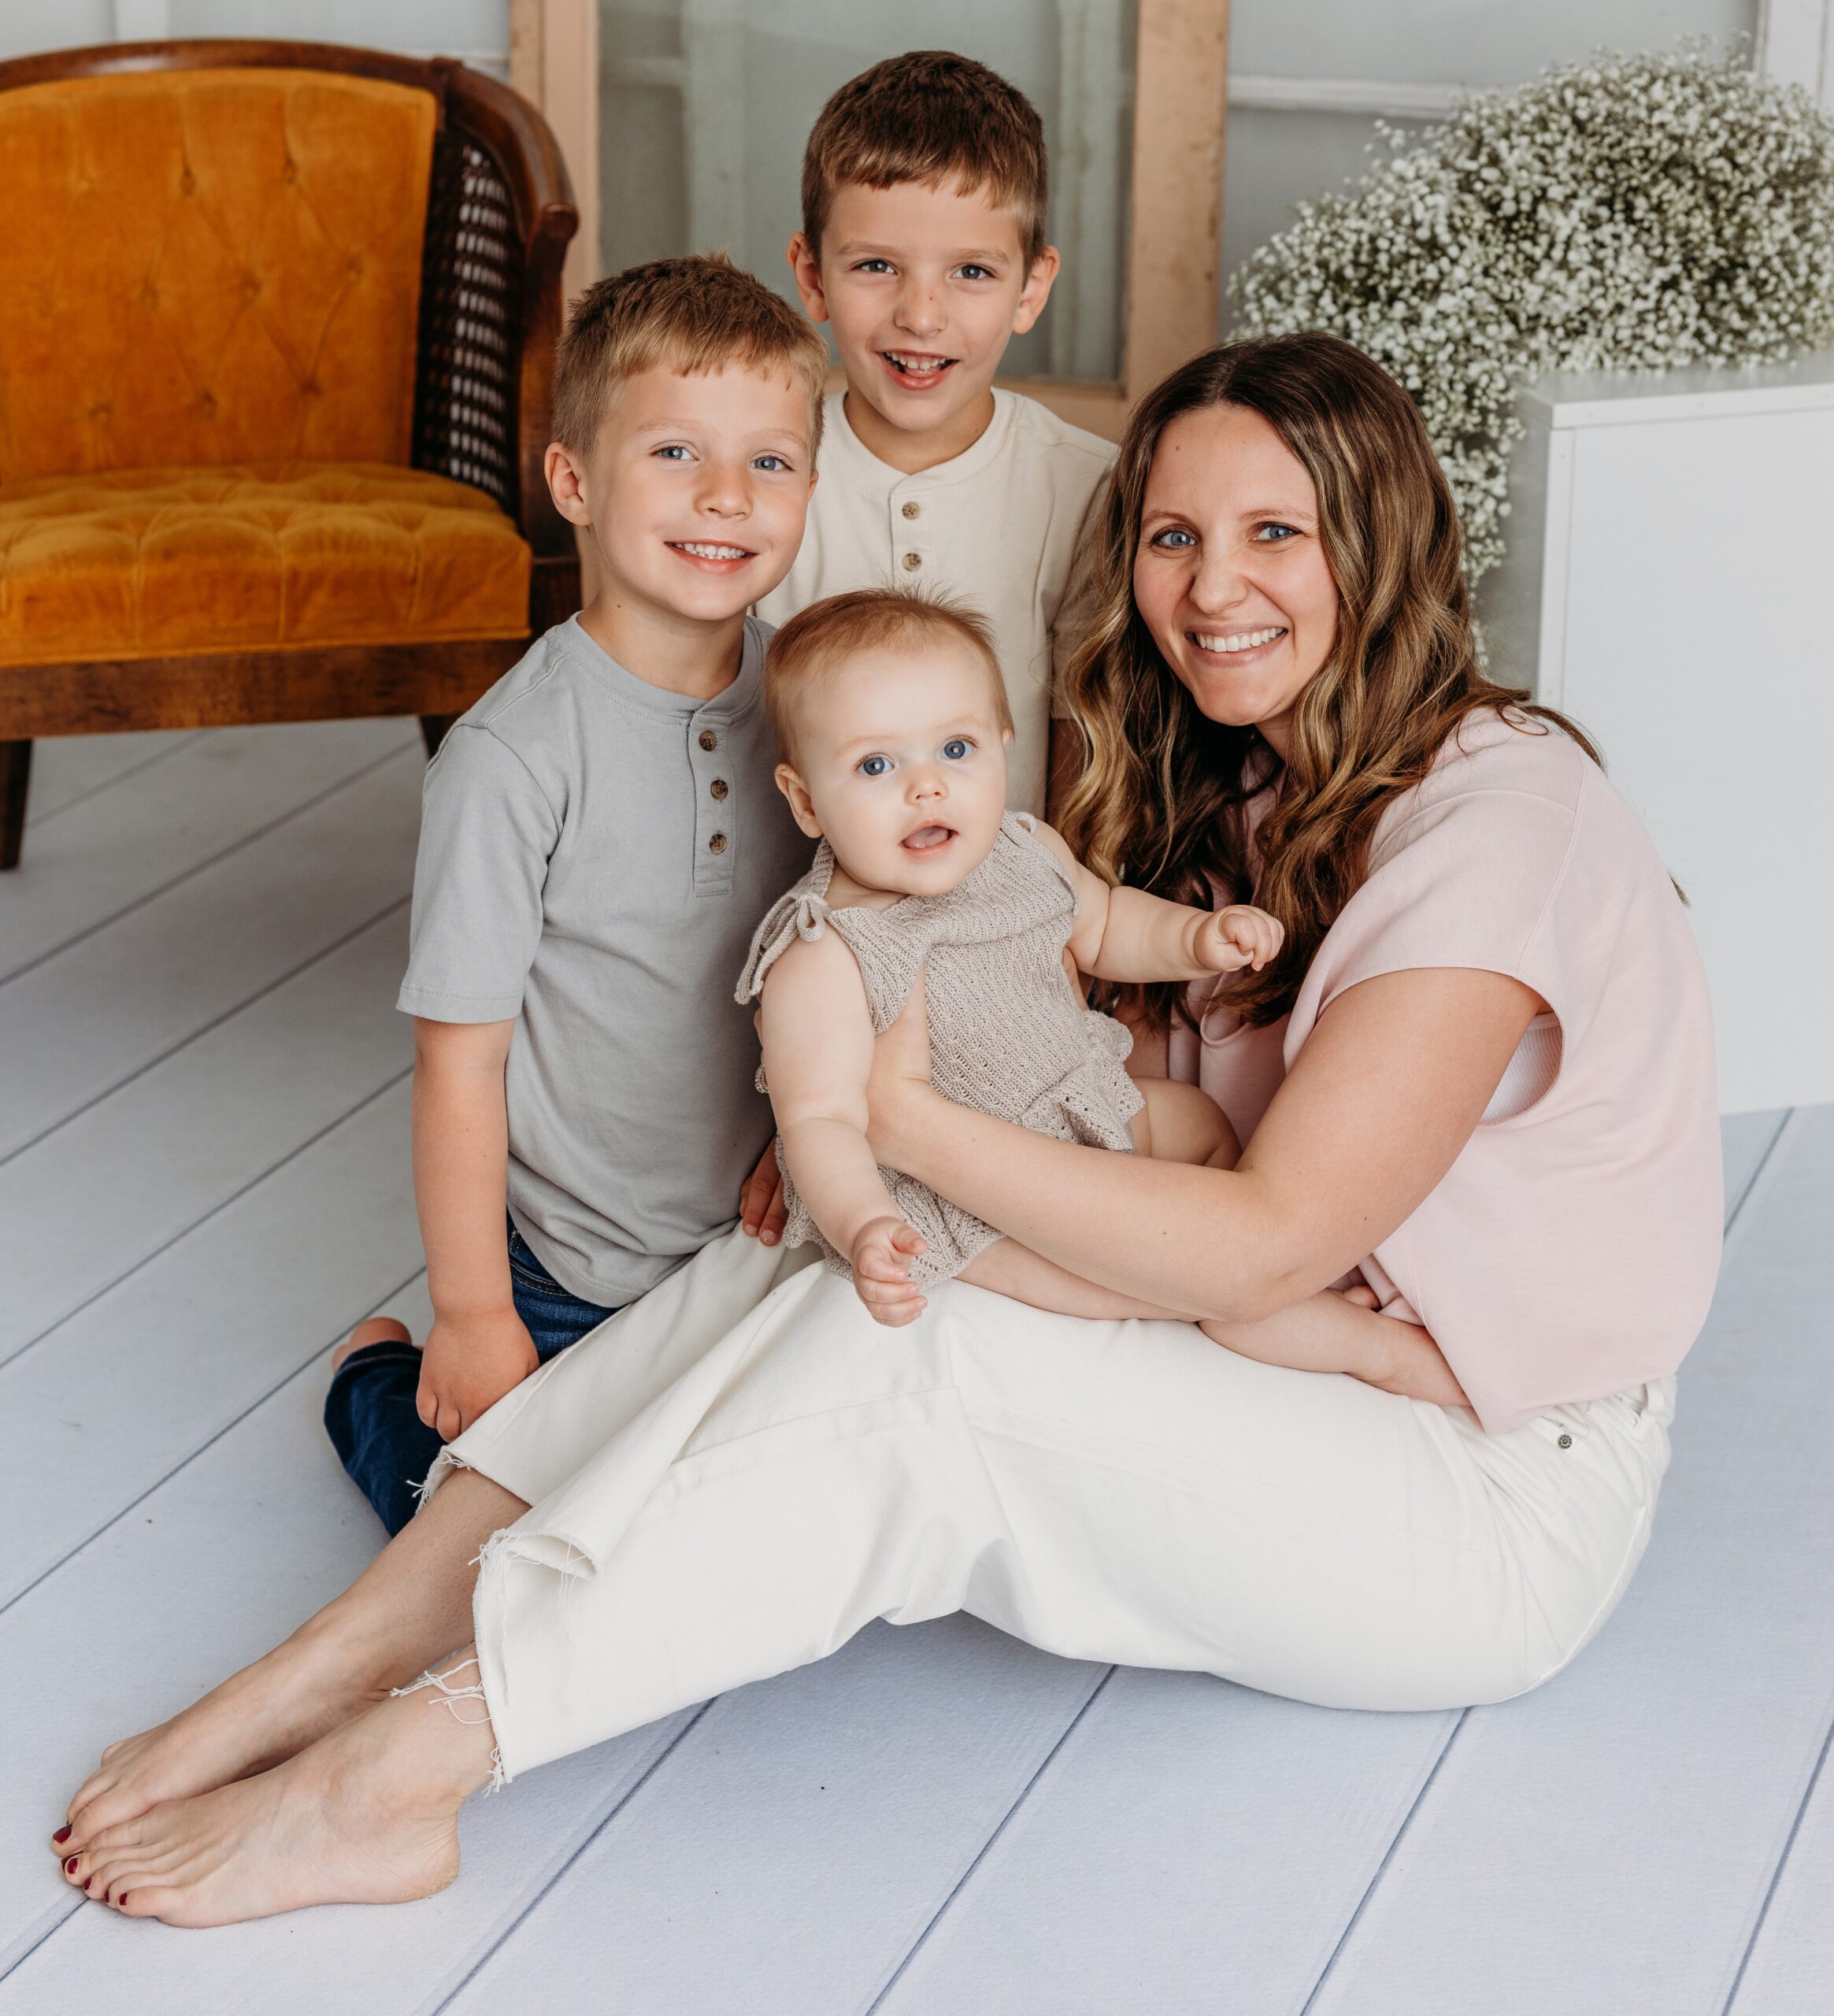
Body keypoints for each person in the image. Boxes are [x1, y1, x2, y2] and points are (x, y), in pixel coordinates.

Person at [52, 334, 1721, 1929]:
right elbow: (1113, 1112)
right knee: (791, 1246)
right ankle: (335, 1660)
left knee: (926, 1355)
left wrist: (900, 1120)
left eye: (1276, 532)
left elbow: (1263, 1232)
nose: (1214, 589)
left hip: (1487, 1486)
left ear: (1391, 540)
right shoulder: (1252, 780)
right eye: (1174, 535)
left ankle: (401, 1772)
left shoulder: (1496, 827)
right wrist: (861, 1147)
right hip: (1309, 1353)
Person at [322, 254, 826, 1532]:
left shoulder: (813, 703)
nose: (726, 495)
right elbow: (459, 1066)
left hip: (764, 1241)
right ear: (572, 482)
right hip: (573, 1272)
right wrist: (475, 1314)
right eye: (674, 453)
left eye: (769, 461)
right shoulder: (511, 758)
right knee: (513, 1559)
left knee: (768, 1525)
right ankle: (374, 1379)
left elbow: (858, 942)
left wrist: (806, 1130)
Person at [743, 585, 1464, 1403]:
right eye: (876, 764)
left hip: (1083, 1106)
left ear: (1003, 747)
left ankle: (1273, 1266)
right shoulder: (825, 950)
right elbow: (823, 1121)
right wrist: (864, 1224)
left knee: (1200, 1127)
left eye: (956, 750)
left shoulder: (1024, 849)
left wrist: (1197, 939)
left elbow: (1104, 922)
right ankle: (1372, 1350)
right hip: (969, 1199)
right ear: (804, 799)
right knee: (1174, 1291)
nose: (926, 788)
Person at [755, 50, 1116, 821]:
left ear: (1032, 287)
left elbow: (1082, 756)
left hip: (1006, 914)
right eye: (877, 265)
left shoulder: (1088, 490)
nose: (921, 315)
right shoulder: (757, 476)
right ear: (812, 276)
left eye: (972, 273)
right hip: (798, 915)